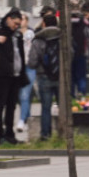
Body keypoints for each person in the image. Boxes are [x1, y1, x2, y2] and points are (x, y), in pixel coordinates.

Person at [0, 8, 28, 145]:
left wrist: (23, 74)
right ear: (8, 19)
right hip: (2, 75)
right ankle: (0, 135)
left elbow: (21, 56)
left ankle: (10, 135)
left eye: (19, 24)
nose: (16, 26)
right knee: (0, 105)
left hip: (16, 75)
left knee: (12, 106)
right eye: (15, 23)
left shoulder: (17, 35)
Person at [27, 13, 61, 142]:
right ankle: (64, 133)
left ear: (44, 24)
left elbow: (32, 62)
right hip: (61, 78)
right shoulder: (62, 38)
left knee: (46, 107)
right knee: (63, 106)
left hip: (44, 77)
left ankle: (45, 135)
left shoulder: (38, 40)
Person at [16, 13, 36, 136]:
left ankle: (21, 121)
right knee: (20, 96)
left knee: (25, 94)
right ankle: (28, 117)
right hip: (18, 68)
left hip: (29, 67)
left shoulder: (30, 34)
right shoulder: (15, 34)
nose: (20, 21)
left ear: (27, 21)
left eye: (22, 19)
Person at [69, 8, 89, 99]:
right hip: (81, 53)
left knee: (71, 77)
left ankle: (71, 97)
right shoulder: (84, 23)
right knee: (81, 77)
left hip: (69, 56)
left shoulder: (66, 23)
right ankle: (82, 96)